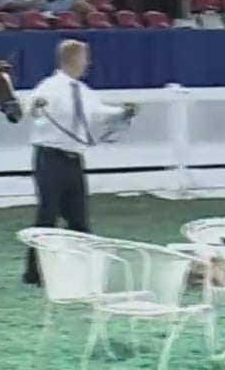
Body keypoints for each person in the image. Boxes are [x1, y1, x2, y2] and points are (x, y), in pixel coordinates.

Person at [23, 39, 138, 287]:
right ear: (72, 59)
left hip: (73, 159)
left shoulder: (84, 92)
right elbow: (32, 107)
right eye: (85, 57)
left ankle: (84, 268)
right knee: (48, 214)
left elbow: (98, 112)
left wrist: (122, 112)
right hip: (50, 156)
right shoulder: (50, 86)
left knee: (79, 218)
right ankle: (35, 272)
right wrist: (36, 106)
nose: (88, 63)